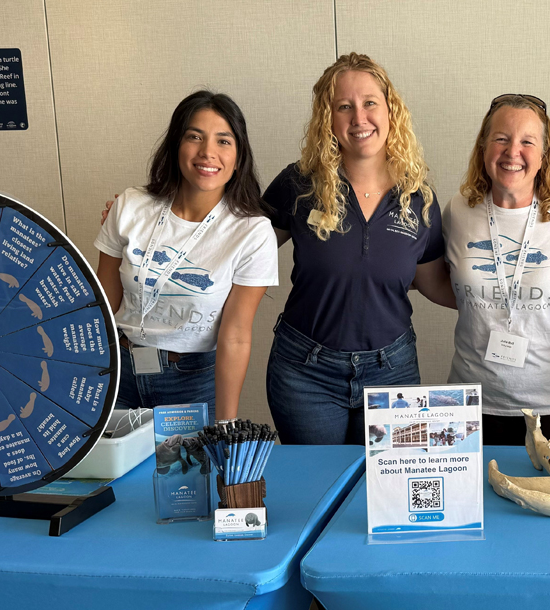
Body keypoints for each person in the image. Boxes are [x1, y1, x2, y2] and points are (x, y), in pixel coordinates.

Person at [262, 53, 451, 445]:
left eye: (369, 103)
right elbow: (236, 241)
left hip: (392, 373)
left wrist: (500, 300)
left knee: (389, 497)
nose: (358, 118)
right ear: (327, 119)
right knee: (321, 492)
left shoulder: (418, 197)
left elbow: (434, 283)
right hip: (305, 374)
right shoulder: (299, 184)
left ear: (390, 110)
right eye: (343, 106)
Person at [444, 95, 550, 445]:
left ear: (544, 154)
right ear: (483, 147)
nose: (512, 152)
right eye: (501, 139)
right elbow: (432, 280)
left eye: (527, 141)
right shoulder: (457, 211)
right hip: (470, 404)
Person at [95, 91, 278, 420]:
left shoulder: (252, 231)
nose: (208, 152)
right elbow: (102, 303)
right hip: (116, 371)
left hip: (190, 380)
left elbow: (235, 336)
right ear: (176, 145)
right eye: (195, 137)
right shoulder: (130, 205)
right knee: (110, 473)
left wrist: (227, 424)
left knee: (188, 471)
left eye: (224, 141)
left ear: (239, 156)